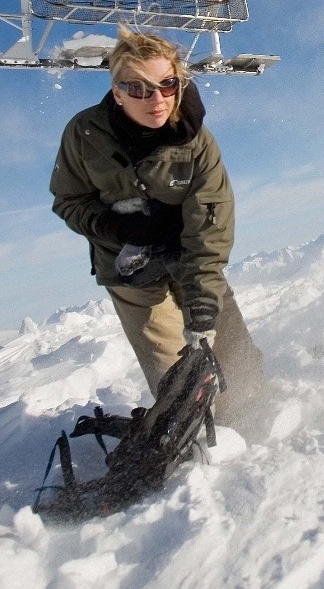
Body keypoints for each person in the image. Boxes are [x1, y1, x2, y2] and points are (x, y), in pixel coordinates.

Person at [50, 28, 267, 423]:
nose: (157, 99)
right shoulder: (84, 135)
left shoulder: (197, 141)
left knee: (237, 362)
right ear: (117, 93)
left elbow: (210, 223)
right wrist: (113, 227)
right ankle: (192, 438)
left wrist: (203, 302)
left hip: (190, 258)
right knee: (179, 384)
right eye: (139, 88)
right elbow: (68, 200)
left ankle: (256, 423)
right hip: (131, 272)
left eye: (167, 84)